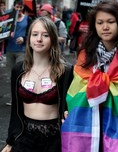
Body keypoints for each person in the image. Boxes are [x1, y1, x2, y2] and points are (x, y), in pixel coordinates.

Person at [61, 0, 118, 152]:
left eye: (110, 22)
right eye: (100, 22)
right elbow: (76, 91)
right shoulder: (85, 56)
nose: (105, 27)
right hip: (88, 126)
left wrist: (104, 85)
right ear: (94, 26)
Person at [1, 16, 73, 152]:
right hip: (24, 138)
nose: (39, 39)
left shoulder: (65, 71)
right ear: (29, 39)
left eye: (45, 35)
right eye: (35, 34)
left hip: (55, 141)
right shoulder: (18, 69)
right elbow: (15, 109)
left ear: (52, 39)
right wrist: (10, 141)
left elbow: (71, 107)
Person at [5, 0, 32, 106]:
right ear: (14, 7)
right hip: (9, 50)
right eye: (17, 7)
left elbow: (31, 33)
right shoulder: (9, 18)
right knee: (12, 76)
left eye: (21, 7)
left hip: (21, 51)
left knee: (20, 74)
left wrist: (24, 39)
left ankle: (22, 99)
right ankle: (13, 99)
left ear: (23, 8)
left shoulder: (27, 19)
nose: (19, 9)